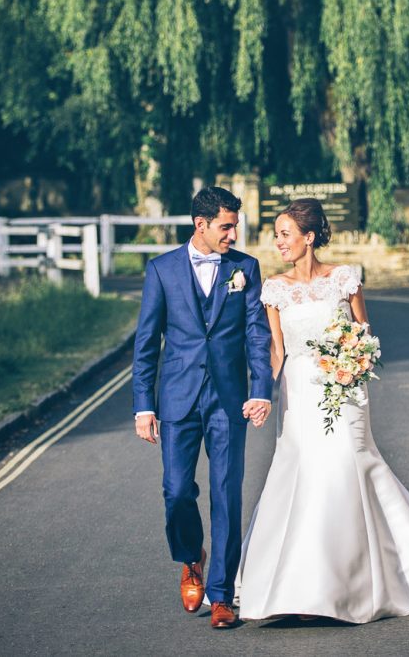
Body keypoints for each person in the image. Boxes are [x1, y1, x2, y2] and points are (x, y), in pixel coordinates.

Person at [236, 197, 409, 624]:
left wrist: (353, 363)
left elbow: (364, 333)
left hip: (346, 391)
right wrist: (263, 394)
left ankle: (355, 580)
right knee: (302, 476)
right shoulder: (275, 290)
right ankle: (303, 587)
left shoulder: (345, 279)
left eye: (285, 234)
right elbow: (276, 351)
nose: (278, 242)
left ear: (310, 237)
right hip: (300, 396)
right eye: (277, 234)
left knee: (348, 467)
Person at [133, 186, 273, 630]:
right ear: (201, 225)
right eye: (226, 226)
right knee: (176, 492)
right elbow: (146, 344)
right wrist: (143, 405)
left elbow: (256, 335)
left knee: (227, 496)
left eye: (235, 225)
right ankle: (191, 558)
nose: (234, 234)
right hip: (177, 398)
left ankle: (221, 594)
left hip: (229, 399)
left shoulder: (245, 269)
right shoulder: (161, 271)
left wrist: (261, 388)